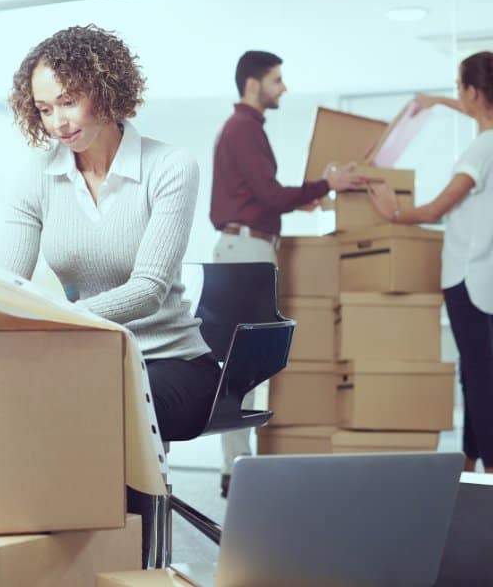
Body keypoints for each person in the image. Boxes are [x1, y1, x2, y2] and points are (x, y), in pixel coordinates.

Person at [0, 24, 220, 567]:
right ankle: (50, 555)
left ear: (106, 90)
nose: (58, 121)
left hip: (170, 360)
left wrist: (52, 321)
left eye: (69, 101)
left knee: (96, 407)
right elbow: (1, 290)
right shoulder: (36, 177)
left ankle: (129, 566)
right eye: (43, 109)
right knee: (25, 391)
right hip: (85, 358)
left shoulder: (169, 166)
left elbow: (148, 291)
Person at [209, 50, 365, 498]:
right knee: (242, 363)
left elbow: (264, 196)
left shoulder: (243, 129)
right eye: (277, 80)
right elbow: (270, 194)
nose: (284, 88)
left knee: (244, 361)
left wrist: (304, 198)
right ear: (253, 84)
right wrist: (325, 185)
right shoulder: (244, 129)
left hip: (247, 247)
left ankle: (235, 463)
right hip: (246, 251)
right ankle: (236, 465)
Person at [368, 51, 493, 475]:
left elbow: (440, 206)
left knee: (479, 375)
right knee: (476, 369)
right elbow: (473, 106)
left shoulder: (480, 150)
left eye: (459, 88)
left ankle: (488, 465)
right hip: (483, 278)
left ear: (474, 91)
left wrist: (395, 211)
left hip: (466, 276)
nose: (458, 95)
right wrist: (440, 102)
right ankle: (474, 461)